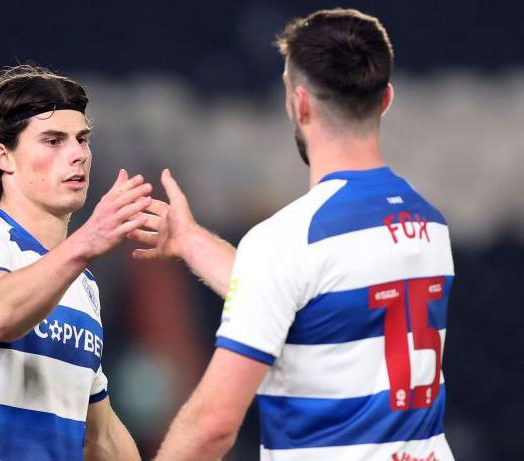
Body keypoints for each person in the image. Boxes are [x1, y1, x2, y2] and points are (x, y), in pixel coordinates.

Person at [131, 8, 455, 461]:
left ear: (299, 104)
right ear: (386, 99)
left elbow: (212, 425)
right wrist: (190, 240)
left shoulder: (288, 241)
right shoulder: (430, 224)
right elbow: (299, 300)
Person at [0, 64, 145, 461]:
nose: (77, 154)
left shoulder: (82, 286)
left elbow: (103, 434)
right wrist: (86, 243)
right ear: (3, 156)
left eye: (82, 139)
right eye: (53, 140)